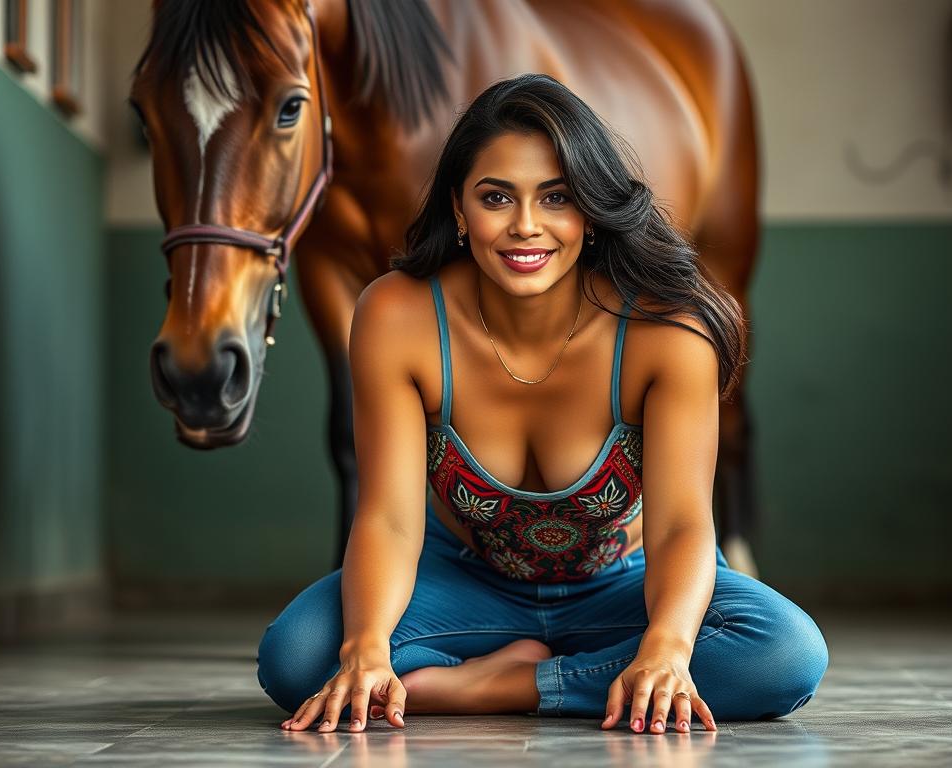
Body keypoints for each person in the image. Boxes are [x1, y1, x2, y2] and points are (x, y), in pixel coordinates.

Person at [256, 73, 828, 736]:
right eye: (496, 197)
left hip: (628, 586)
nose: (525, 226)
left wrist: (668, 649)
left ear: (589, 210)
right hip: (460, 582)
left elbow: (680, 529)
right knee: (296, 658)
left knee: (785, 653)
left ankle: (496, 684)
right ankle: (584, 675)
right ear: (460, 210)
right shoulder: (397, 314)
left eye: (556, 197)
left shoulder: (666, 329)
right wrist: (365, 651)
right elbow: (387, 519)